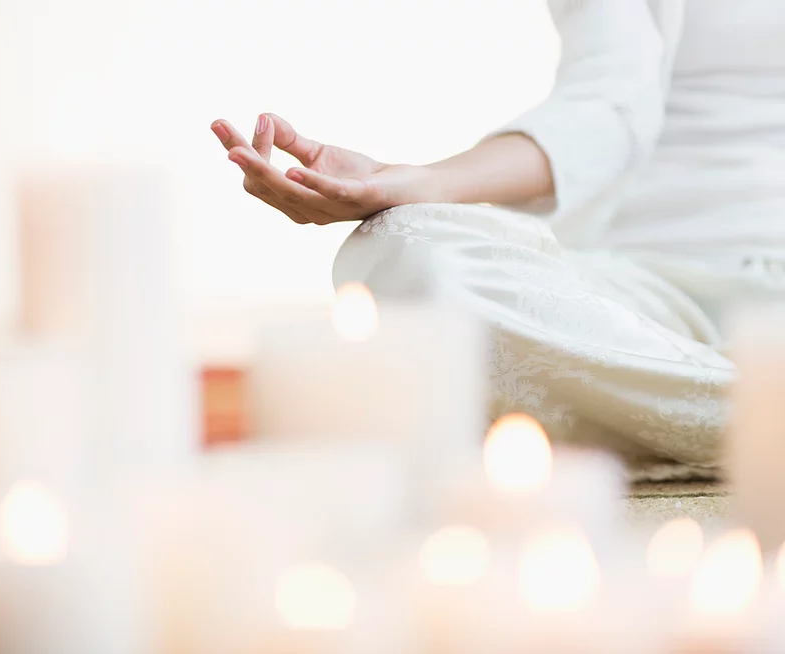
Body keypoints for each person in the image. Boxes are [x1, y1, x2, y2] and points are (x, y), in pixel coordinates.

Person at [210, 0, 785, 480]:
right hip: (641, 292)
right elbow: (607, 107)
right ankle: (760, 420)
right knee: (403, 249)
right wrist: (425, 182)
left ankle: (703, 421)